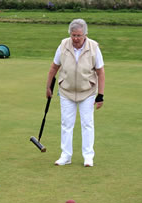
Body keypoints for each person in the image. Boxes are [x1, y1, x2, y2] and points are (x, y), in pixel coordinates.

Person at [46, 19, 105, 167]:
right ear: (70, 34)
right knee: (66, 124)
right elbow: (54, 67)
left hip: (88, 91)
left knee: (87, 124)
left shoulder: (93, 47)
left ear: (85, 34)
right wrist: (48, 87)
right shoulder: (63, 45)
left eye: (79, 35)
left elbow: (100, 72)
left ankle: (88, 157)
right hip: (66, 91)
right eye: (73, 35)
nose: (76, 39)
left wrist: (100, 95)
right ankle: (66, 156)